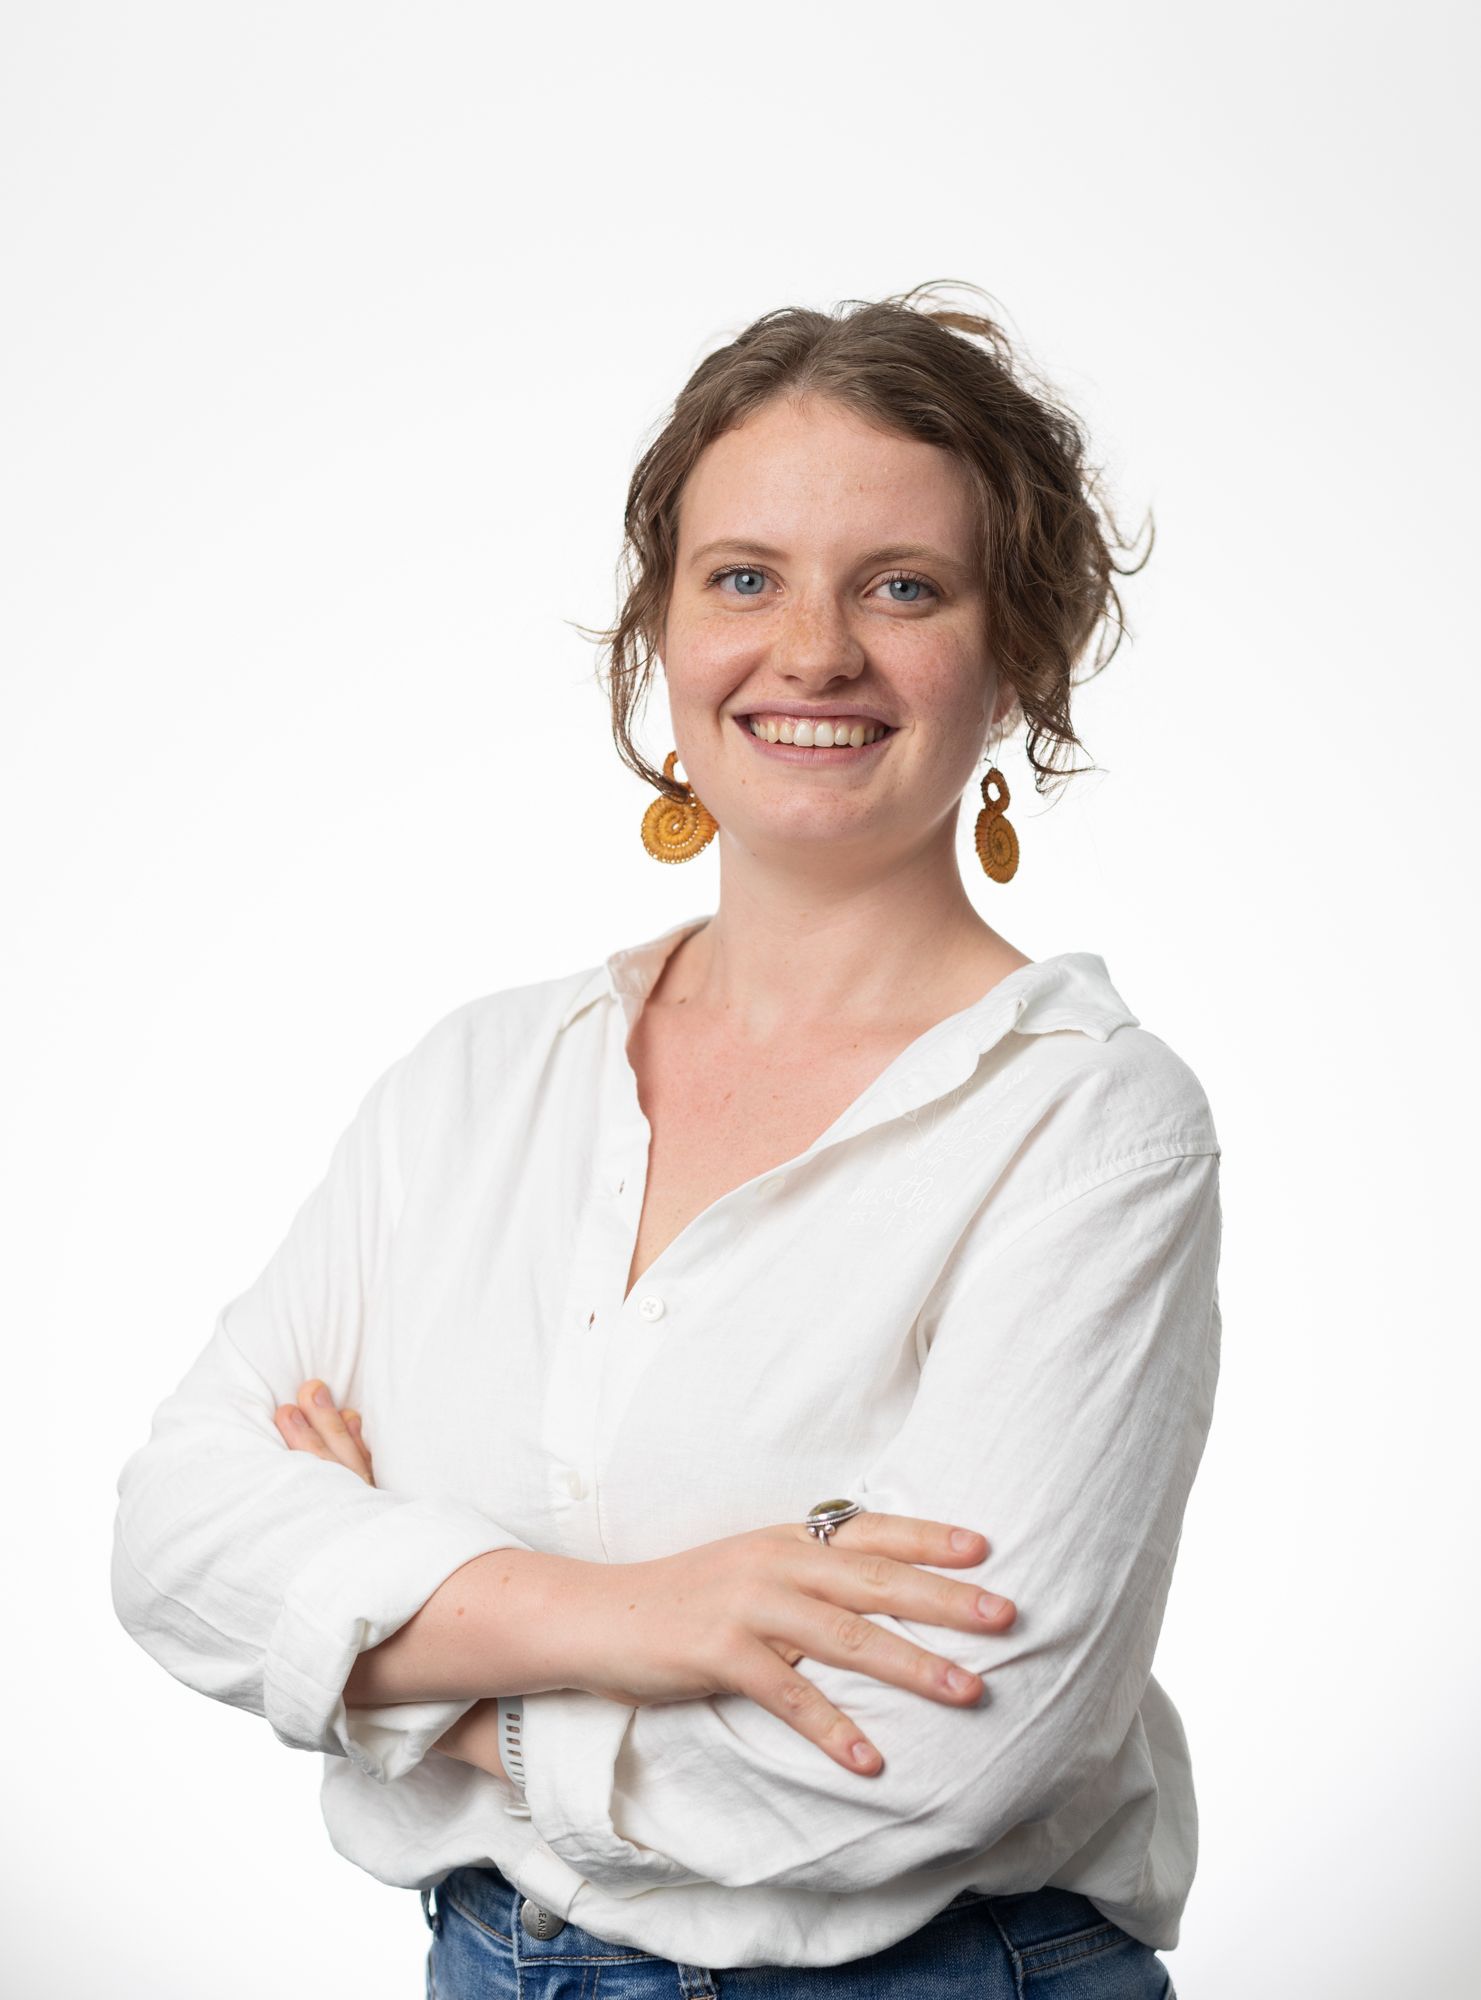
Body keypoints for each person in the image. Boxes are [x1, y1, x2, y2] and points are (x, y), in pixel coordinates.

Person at [112, 283, 1219, 1999]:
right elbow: (176, 1543)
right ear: (659, 629)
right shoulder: (479, 1082)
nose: (813, 651)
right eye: (744, 577)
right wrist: (627, 1621)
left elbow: (932, 1756)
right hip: (490, 1961)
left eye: (902, 586)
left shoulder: (1088, 1127)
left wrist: (401, 1663)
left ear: (1018, 649)